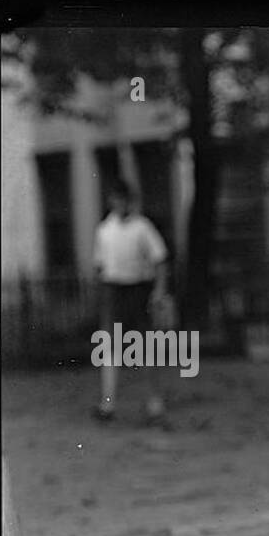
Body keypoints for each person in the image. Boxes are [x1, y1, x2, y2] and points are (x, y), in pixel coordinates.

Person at [92, 179, 171, 424]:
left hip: (139, 290)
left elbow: (160, 261)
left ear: (131, 201)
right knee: (110, 348)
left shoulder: (143, 227)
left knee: (146, 348)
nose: (120, 203)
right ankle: (108, 404)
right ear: (111, 201)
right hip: (114, 291)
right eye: (116, 199)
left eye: (125, 199)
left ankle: (155, 405)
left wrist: (159, 291)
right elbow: (99, 266)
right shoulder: (104, 230)